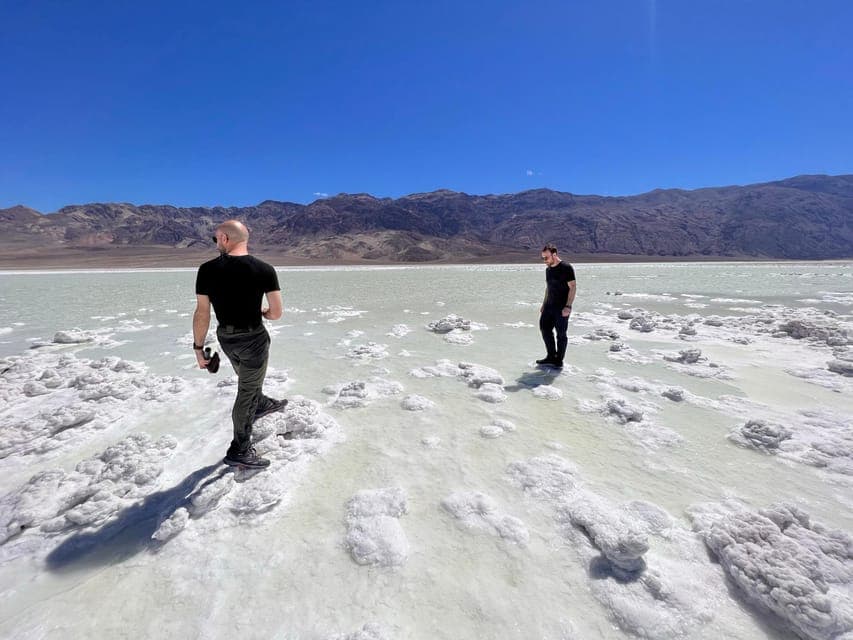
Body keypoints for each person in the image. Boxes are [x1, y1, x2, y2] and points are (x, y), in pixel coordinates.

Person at [193, 219, 286, 469]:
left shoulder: (206, 270)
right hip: (253, 338)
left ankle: (262, 402)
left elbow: (202, 313)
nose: (215, 244)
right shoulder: (264, 269)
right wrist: (264, 312)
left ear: (224, 239)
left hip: (226, 337)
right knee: (246, 391)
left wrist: (198, 348)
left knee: (247, 380)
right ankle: (240, 450)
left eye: (215, 239)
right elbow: (276, 313)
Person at [536, 243, 576, 369]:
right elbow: (548, 288)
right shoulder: (548, 270)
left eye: (546, 257)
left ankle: (559, 360)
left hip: (561, 307)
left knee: (561, 334)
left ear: (554, 254)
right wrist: (543, 304)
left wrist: (568, 306)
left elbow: (573, 287)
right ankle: (550, 356)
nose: (544, 261)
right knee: (544, 329)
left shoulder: (566, 267)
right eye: (543, 258)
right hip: (549, 306)